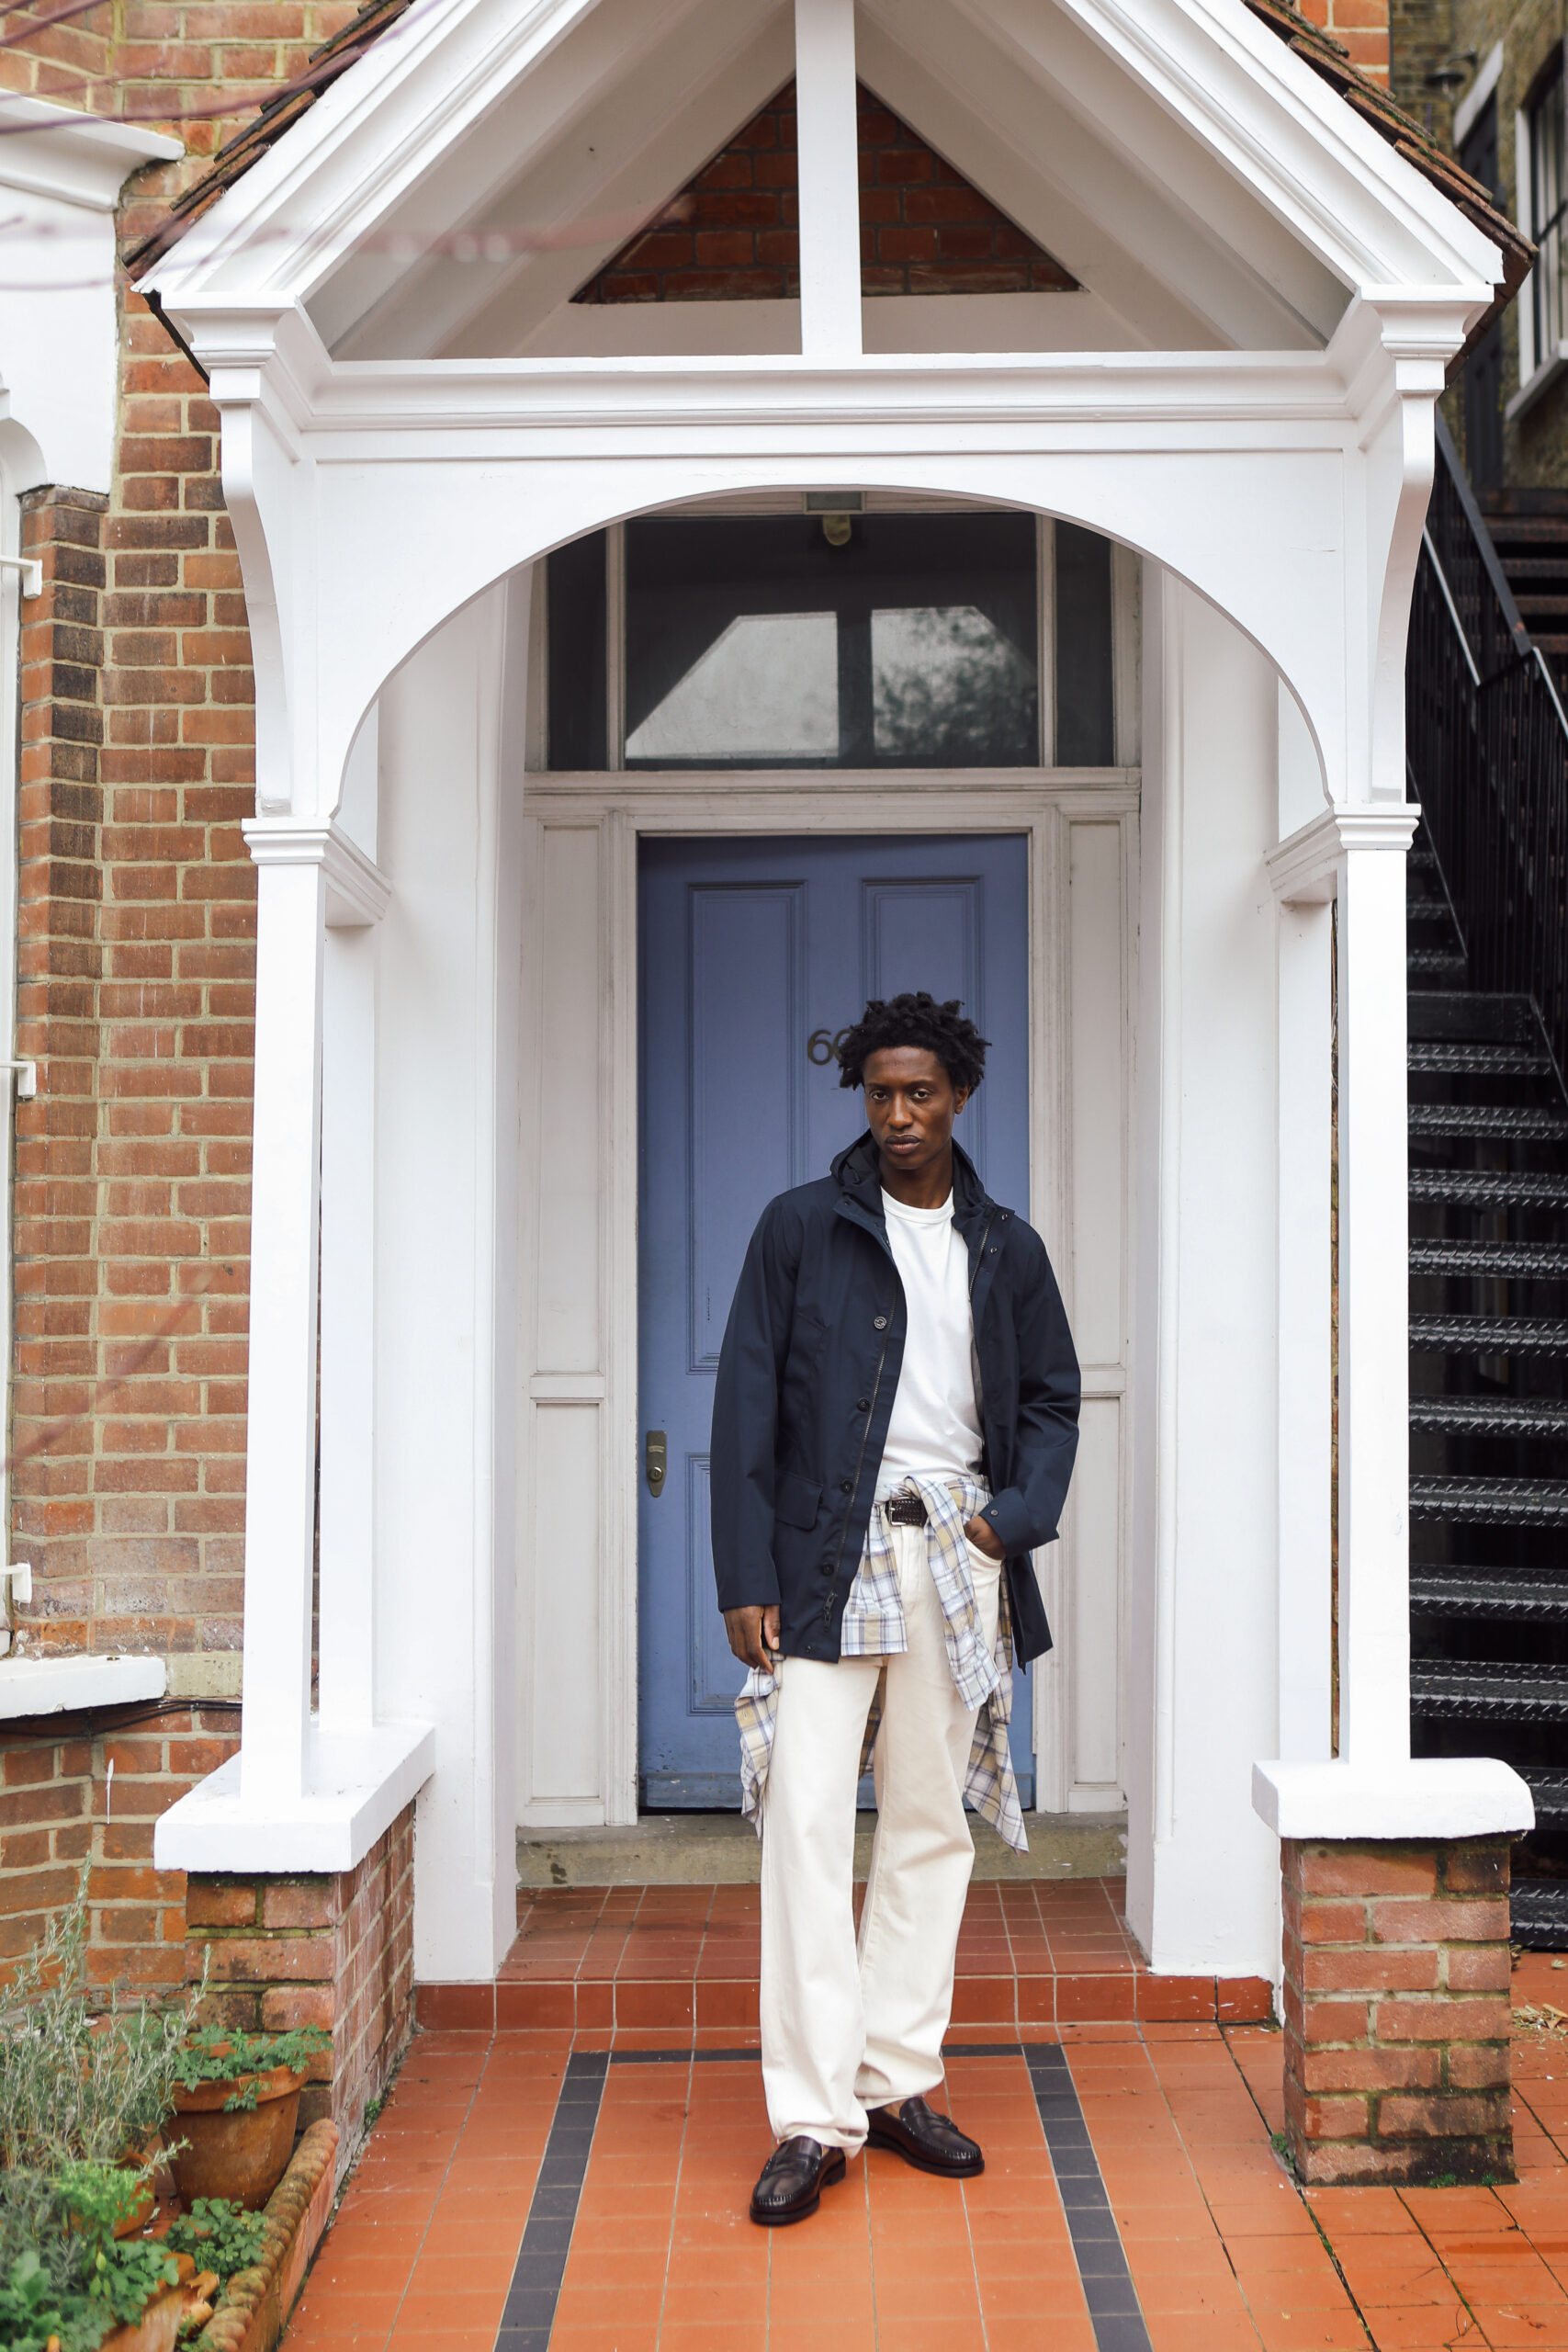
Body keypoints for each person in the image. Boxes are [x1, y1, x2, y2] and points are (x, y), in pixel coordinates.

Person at [710, 990, 1080, 2227]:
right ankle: (813, 2118)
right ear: (860, 1099)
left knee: (929, 1821)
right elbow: (744, 1405)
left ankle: (897, 2077)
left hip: (956, 1556)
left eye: (922, 1092)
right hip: (825, 1556)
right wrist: (744, 1576)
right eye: (881, 1093)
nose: (901, 1114)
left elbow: (1053, 1401)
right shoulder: (798, 1227)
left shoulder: (1007, 1247)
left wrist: (1010, 1520)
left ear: (959, 1096)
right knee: (807, 1821)